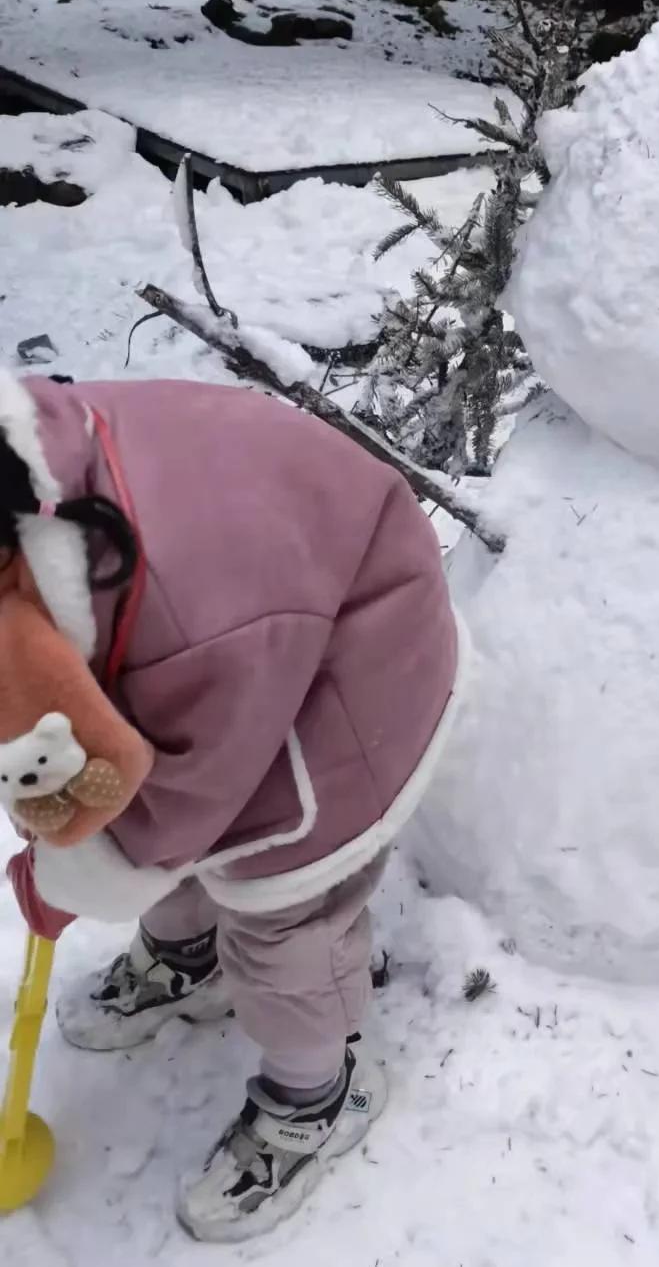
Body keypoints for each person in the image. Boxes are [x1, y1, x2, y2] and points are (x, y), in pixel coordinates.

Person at [0, 371, 460, 1238]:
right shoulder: (33, 499)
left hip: (350, 666)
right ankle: (188, 956)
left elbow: (184, 795)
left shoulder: (186, 603)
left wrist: (74, 873)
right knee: (153, 816)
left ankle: (318, 1096)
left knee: (283, 901)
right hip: (241, 649)